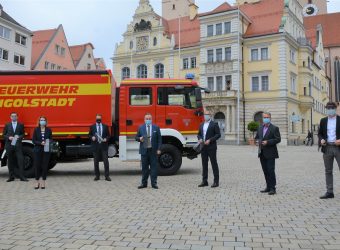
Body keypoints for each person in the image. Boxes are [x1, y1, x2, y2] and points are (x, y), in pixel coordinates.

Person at [255, 112, 281, 195]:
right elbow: (257, 138)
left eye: (267, 117)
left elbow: (278, 139)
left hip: (270, 153)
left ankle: (273, 188)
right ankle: (268, 187)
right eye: (264, 117)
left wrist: (268, 142)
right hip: (262, 152)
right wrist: (256, 141)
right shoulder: (260, 127)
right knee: (265, 171)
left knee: (270, 170)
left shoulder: (274, 128)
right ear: (262, 118)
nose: (266, 119)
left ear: (270, 118)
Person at [318, 102, 340, 199]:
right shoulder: (323, 120)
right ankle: (329, 192)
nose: (330, 110)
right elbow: (320, 133)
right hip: (327, 148)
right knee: (328, 171)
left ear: (335, 108)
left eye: (332, 108)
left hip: (338, 148)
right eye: (328, 108)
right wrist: (321, 139)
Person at [135, 113, 162, 189]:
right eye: (147, 119)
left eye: (149, 119)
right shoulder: (141, 127)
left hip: (153, 151)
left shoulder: (156, 127)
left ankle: (154, 184)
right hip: (144, 151)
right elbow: (136, 137)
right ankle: (144, 184)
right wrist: (139, 139)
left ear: (151, 119)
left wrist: (159, 149)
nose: (148, 120)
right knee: (144, 168)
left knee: (154, 168)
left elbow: (159, 139)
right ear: (144, 120)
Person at [197, 110, 221, 188]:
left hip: (211, 147)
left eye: (207, 114)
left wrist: (210, 140)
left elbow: (218, 135)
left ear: (210, 115)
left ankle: (216, 181)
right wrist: (200, 139)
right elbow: (199, 134)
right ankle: (204, 181)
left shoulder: (214, 124)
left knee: (214, 163)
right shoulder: (201, 124)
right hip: (203, 146)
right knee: (204, 164)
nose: (205, 116)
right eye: (204, 114)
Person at [2, 112, 28, 182]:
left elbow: (23, 134)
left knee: (20, 160)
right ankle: (11, 177)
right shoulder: (7, 125)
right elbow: (3, 135)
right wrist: (8, 137)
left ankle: (22, 177)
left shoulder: (21, 125)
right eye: (12, 116)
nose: (14, 117)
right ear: (10, 117)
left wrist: (19, 137)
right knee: (10, 161)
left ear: (17, 117)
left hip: (18, 145)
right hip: (9, 145)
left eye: (15, 116)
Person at [89, 114, 111, 181]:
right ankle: (97, 176)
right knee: (96, 162)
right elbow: (89, 134)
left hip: (104, 146)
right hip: (95, 146)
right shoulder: (92, 127)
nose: (98, 120)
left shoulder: (105, 126)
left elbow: (108, 135)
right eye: (97, 119)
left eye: (99, 119)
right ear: (95, 119)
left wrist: (106, 139)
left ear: (101, 119)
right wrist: (91, 137)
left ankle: (107, 176)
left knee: (106, 162)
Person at [32, 116, 52, 189]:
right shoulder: (36, 129)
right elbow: (33, 140)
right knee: (37, 166)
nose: (42, 121)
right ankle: (37, 182)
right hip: (37, 150)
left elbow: (51, 139)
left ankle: (43, 182)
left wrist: (47, 142)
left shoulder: (49, 130)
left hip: (46, 150)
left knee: (44, 166)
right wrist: (41, 143)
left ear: (46, 122)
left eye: (44, 120)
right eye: (41, 120)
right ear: (39, 121)